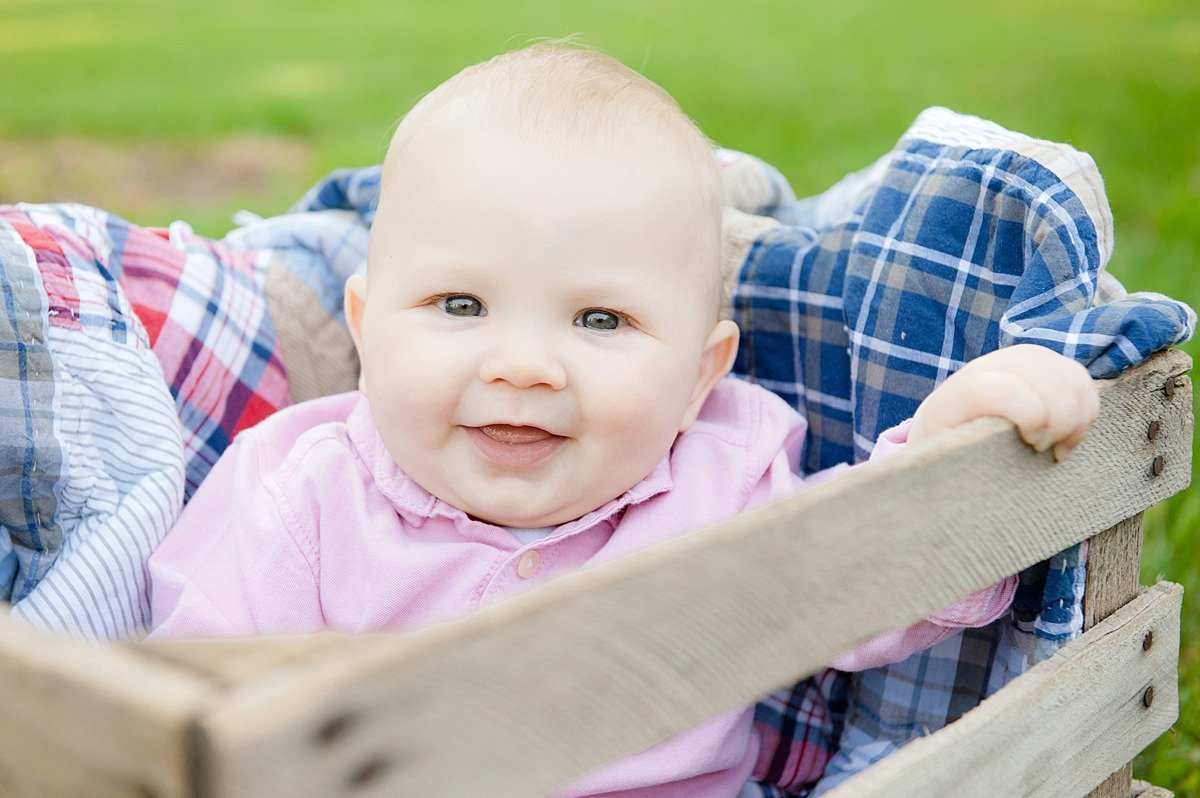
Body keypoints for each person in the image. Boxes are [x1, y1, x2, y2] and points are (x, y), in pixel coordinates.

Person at [148, 45, 1100, 797]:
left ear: (698, 376)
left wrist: (951, 433)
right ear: (364, 331)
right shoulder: (300, 491)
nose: (521, 364)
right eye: (459, 305)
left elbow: (863, 584)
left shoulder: (724, 481)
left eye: (600, 320)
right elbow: (190, 708)